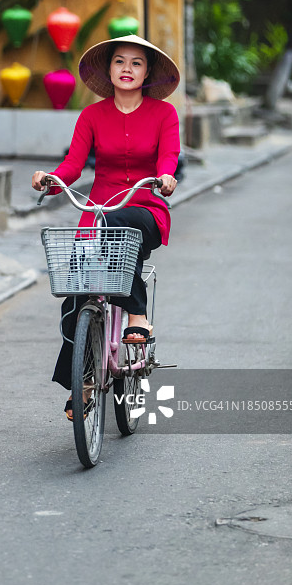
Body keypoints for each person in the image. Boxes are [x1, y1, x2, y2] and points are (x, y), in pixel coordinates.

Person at [32, 34, 180, 416]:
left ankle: (136, 313)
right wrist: (51, 179)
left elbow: (169, 156)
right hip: (97, 210)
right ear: (109, 69)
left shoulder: (164, 114)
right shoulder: (92, 116)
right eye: (119, 61)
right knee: (77, 294)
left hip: (144, 205)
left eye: (136, 63)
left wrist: (165, 176)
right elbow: (73, 165)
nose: (127, 69)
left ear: (147, 72)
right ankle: (80, 383)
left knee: (118, 226)